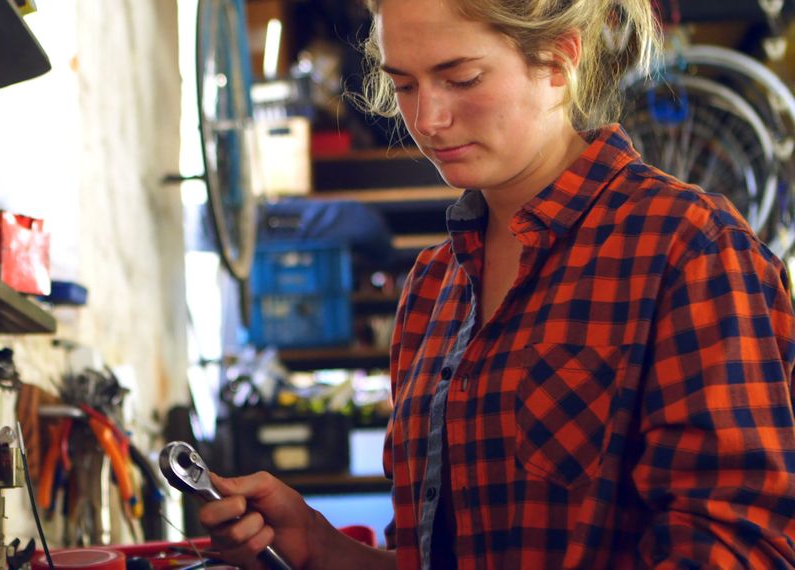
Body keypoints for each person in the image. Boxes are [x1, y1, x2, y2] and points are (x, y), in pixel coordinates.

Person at [199, 0, 795, 568]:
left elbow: (742, 550)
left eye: (461, 78)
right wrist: (323, 551)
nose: (428, 119)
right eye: (404, 85)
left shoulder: (688, 251)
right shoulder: (433, 290)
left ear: (559, 60)